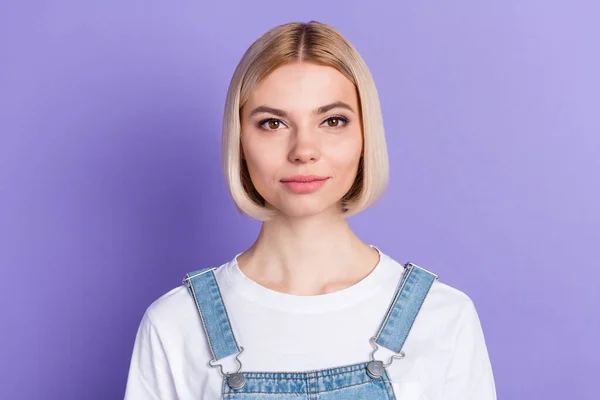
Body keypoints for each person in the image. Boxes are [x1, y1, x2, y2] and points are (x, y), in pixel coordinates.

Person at [124, 21, 497, 399]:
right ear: (240, 140)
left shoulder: (442, 317)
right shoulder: (176, 325)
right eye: (273, 123)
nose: (304, 150)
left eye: (332, 121)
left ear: (365, 137)